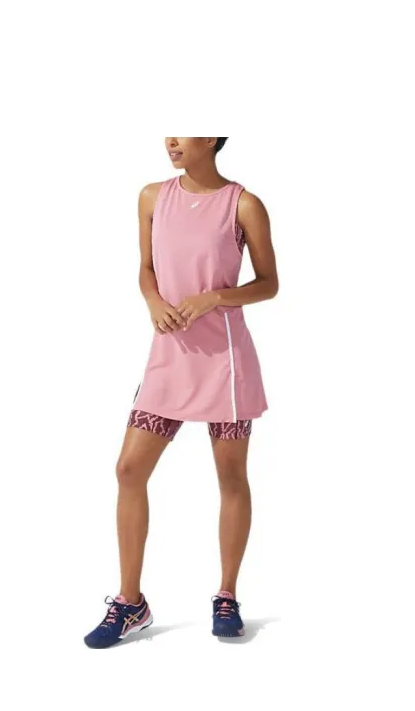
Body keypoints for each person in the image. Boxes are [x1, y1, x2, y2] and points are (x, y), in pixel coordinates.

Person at [84, 137, 279, 648]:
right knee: (129, 469)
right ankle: (131, 603)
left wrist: (216, 297)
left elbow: (269, 283)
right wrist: (152, 300)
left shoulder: (244, 204)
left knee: (231, 477)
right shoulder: (152, 196)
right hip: (170, 356)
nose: (171, 139)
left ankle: (227, 596)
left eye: (185, 128)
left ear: (212, 137)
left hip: (224, 363)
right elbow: (146, 267)